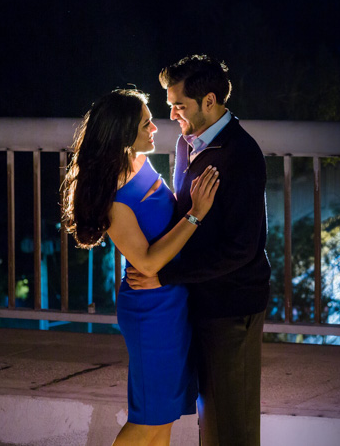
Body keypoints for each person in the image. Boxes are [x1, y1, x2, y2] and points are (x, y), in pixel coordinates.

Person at [61, 89, 220, 446]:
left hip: (172, 301)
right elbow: (146, 262)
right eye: (146, 123)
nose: (154, 129)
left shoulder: (138, 162)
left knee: (163, 419)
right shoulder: (112, 195)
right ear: (122, 133)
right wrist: (196, 213)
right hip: (151, 313)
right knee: (148, 420)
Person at [127, 55, 271, 446]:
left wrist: (166, 274)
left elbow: (241, 249)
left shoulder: (240, 154)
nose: (171, 113)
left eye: (179, 104)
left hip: (232, 306)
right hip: (202, 302)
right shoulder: (186, 143)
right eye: (170, 103)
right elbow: (183, 216)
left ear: (210, 101)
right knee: (212, 424)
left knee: (232, 426)